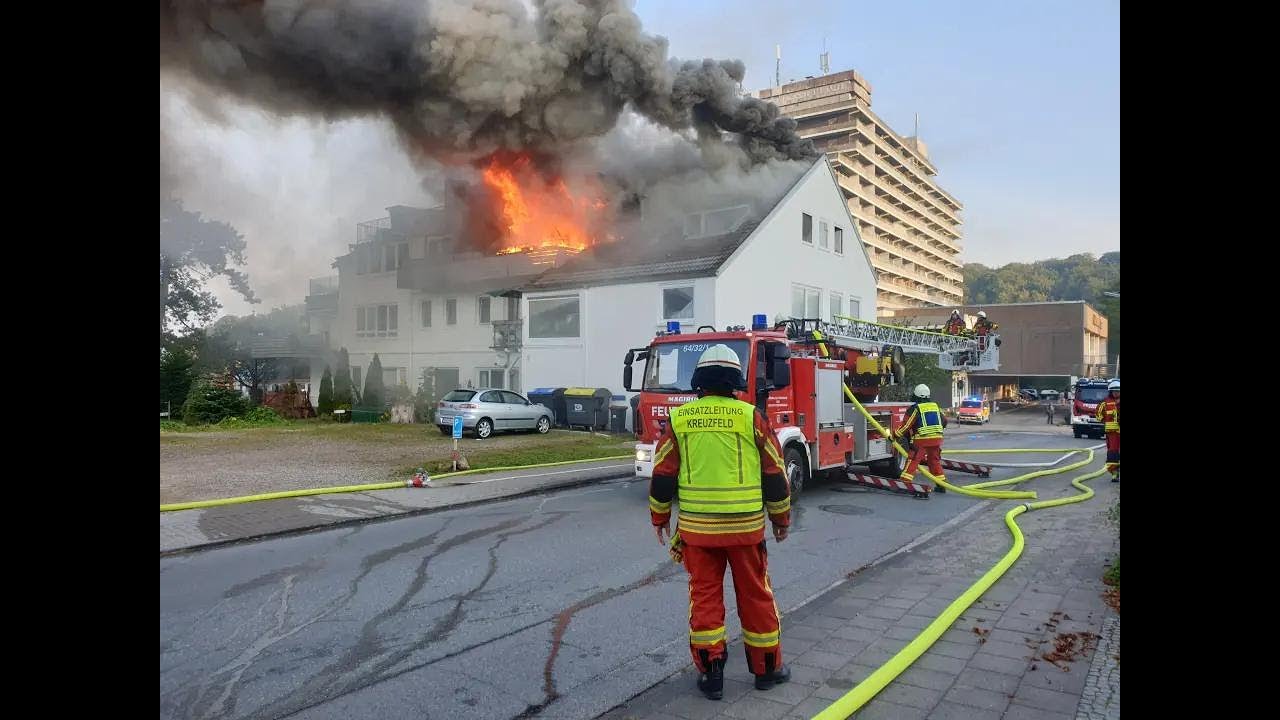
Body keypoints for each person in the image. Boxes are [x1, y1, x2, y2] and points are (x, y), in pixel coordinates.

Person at [648, 344, 793, 700]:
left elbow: (663, 473)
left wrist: (660, 516)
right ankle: (767, 670)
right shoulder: (750, 416)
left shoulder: (680, 419)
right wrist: (781, 518)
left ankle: (712, 674)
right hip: (745, 531)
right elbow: (774, 472)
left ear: (699, 380)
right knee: (757, 597)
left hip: (699, 534)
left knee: (705, 598)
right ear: (734, 380)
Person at [893, 384, 949, 493]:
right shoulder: (935, 406)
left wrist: (895, 434)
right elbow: (945, 421)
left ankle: (905, 484)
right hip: (937, 439)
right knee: (934, 461)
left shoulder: (915, 408)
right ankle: (941, 484)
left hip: (922, 439)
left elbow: (906, 425)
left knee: (913, 460)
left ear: (916, 395)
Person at [1096, 379, 1120, 481]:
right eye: (1114, 391)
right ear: (1110, 391)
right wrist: (1105, 421)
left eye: (1118, 391)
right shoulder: (1105, 403)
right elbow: (1098, 415)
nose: (1116, 393)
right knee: (1112, 454)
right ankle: (1114, 473)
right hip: (1112, 434)